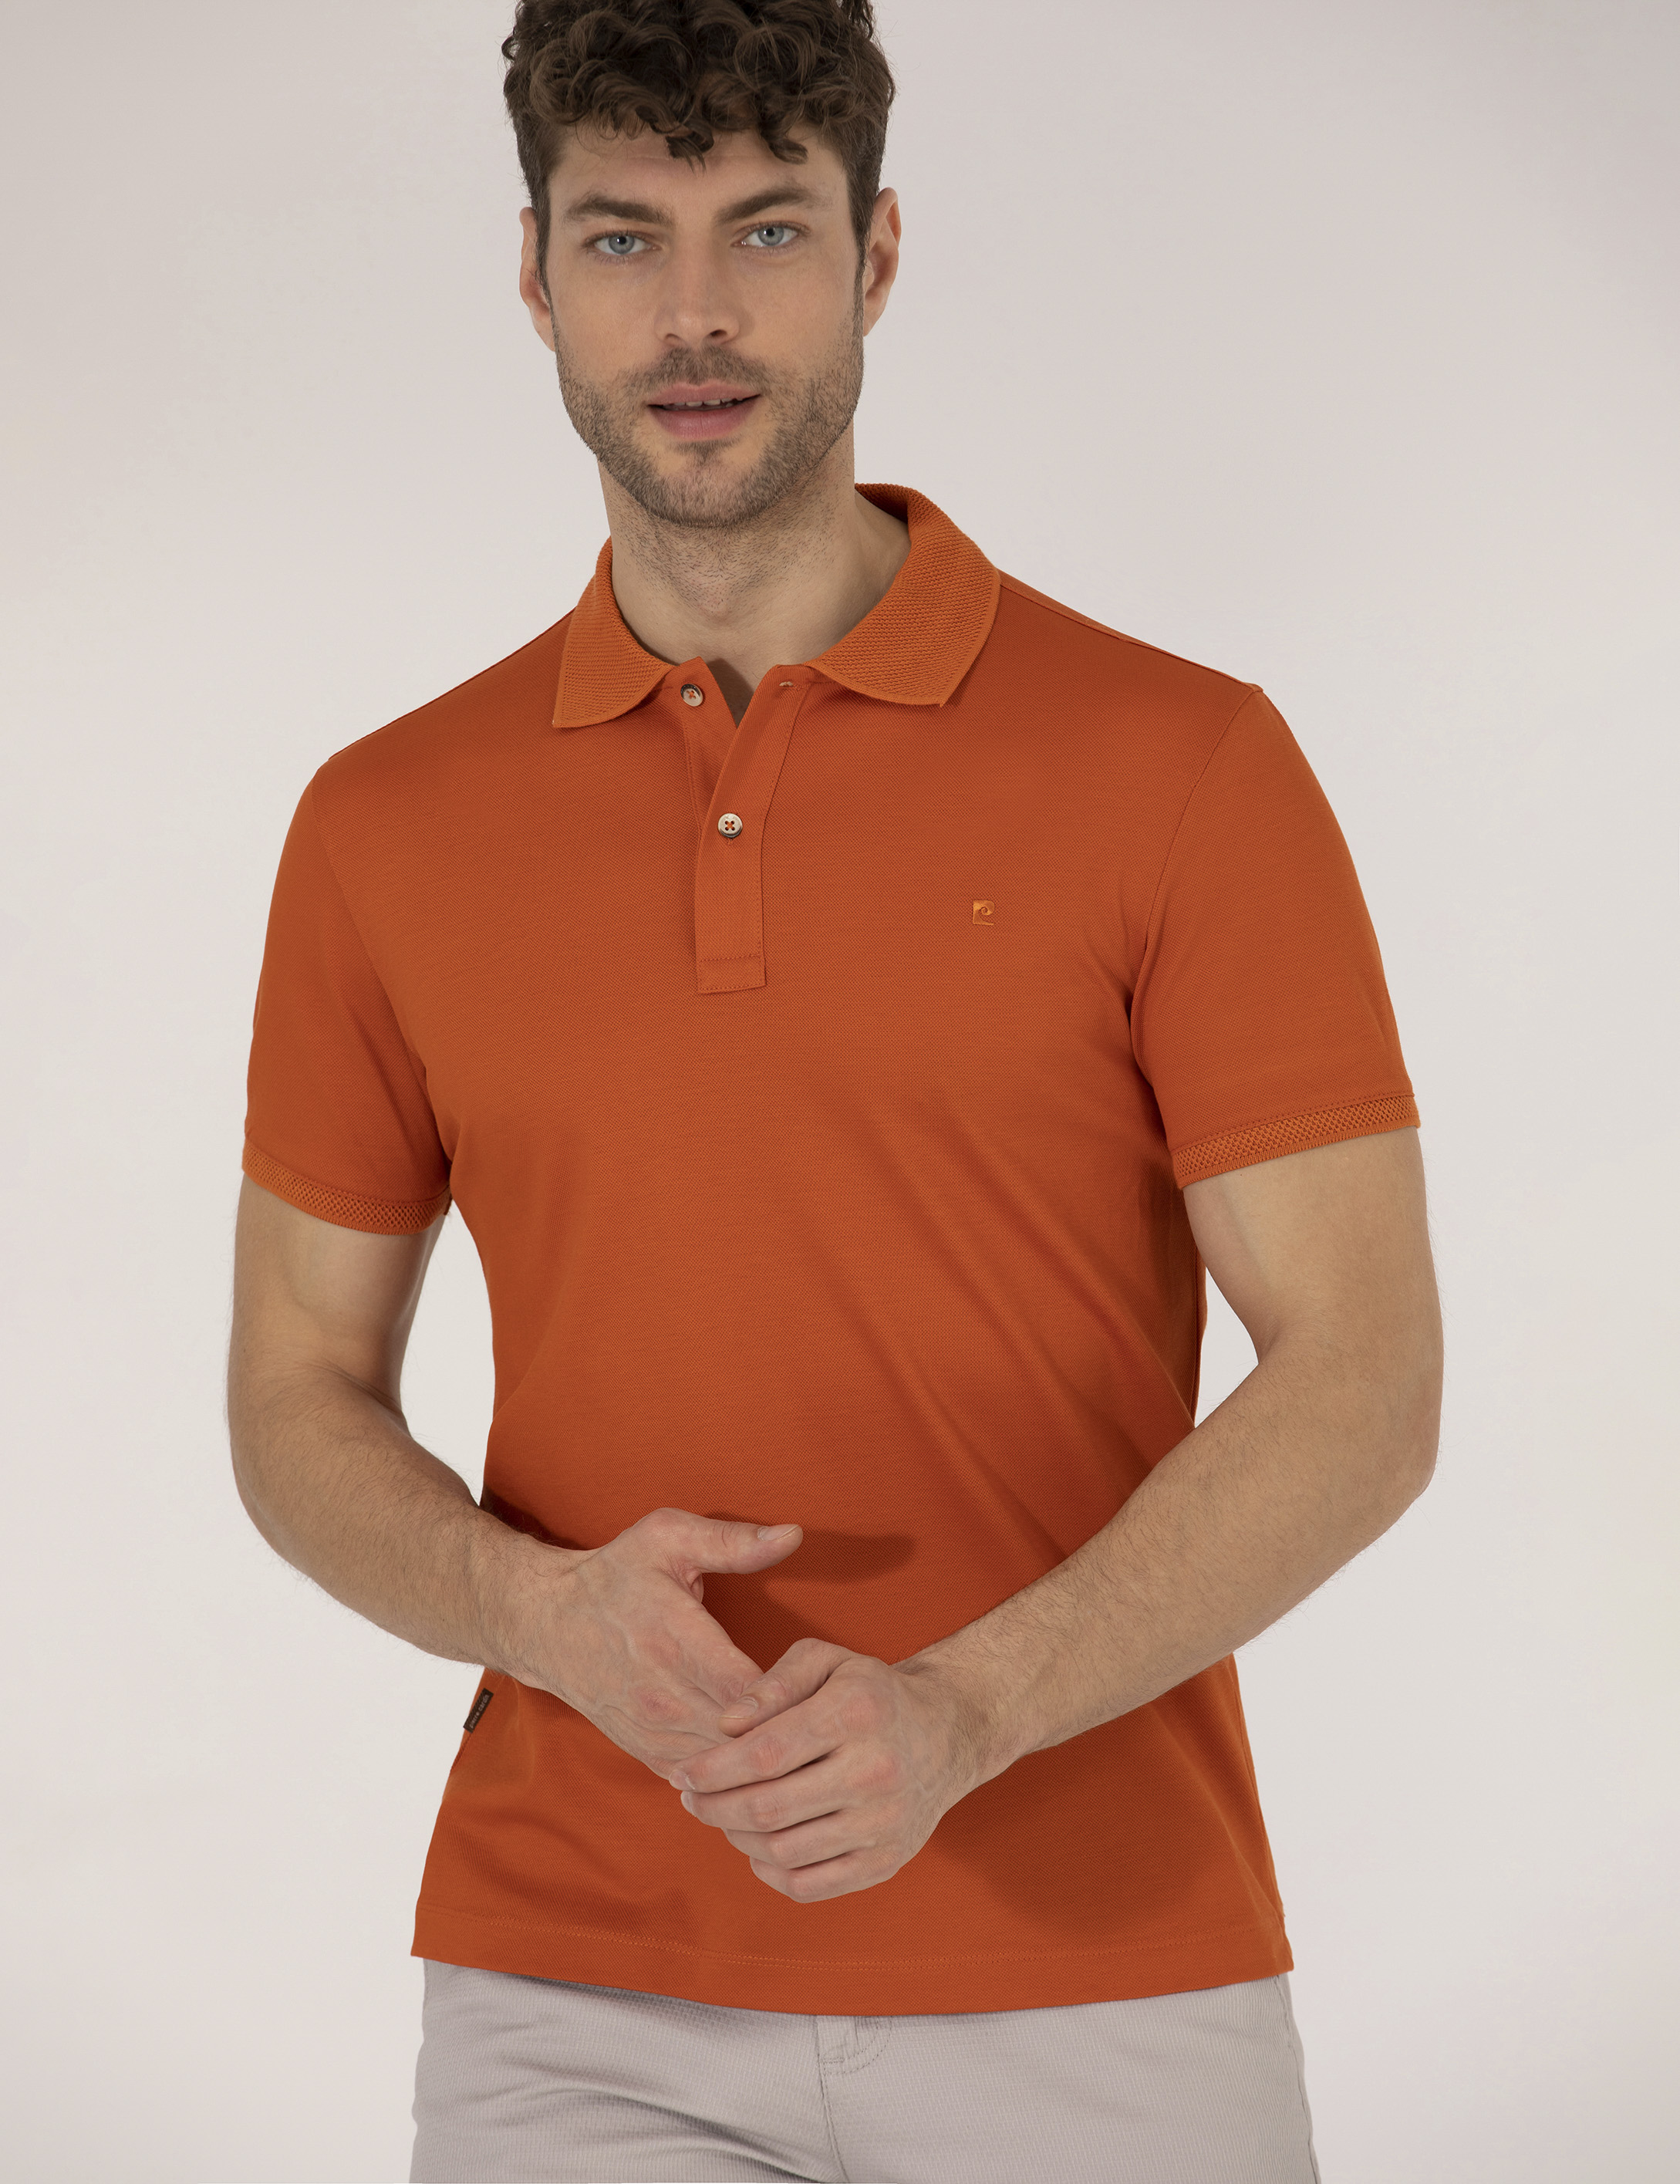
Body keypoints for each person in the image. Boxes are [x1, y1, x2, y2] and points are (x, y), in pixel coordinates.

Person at [227, 2, 1442, 2177]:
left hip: (1101, 1984)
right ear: (533, 276)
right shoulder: (381, 824)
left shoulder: (1184, 765)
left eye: (765, 229)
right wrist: (532, 1614)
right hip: (572, 1995)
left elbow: (1366, 1377)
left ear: (877, 253)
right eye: (622, 237)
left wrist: (966, 1710)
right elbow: (292, 1391)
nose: (693, 315)